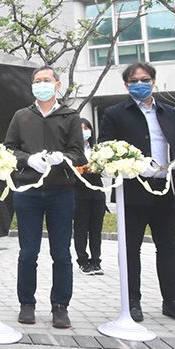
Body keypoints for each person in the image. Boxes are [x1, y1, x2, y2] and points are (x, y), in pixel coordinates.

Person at [99, 61, 175, 325]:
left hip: (167, 188)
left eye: (144, 79)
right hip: (133, 189)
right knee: (130, 248)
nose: (139, 84)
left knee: (168, 247)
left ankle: (173, 302)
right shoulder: (115, 113)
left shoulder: (171, 113)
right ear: (126, 85)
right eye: (134, 80)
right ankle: (132, 301)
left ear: (153, 81)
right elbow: (105, 148)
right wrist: (131, 163)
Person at [4, 67, 85, 329]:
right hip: (27, 192)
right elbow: (9, 149)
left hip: (61, 192)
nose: (41, 85)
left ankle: (60, 306)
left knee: (61, 252)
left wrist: (64, 159)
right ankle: (26, 304)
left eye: (46, 81)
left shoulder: (70, 116)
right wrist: (28, 159)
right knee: (28, 252)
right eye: (37, 81)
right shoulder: (21, 116)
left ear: (57, 85)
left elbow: (78, 154)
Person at [73, 117, 105, 276]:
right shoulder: (73, 150)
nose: (84, 131)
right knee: (81, 228)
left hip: (97, 191)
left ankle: (96, 260)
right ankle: (82, 261)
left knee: (96, 228)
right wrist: (83, 169)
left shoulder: (97, 149)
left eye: (86, 128)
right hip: (79, 192)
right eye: (80, 128)